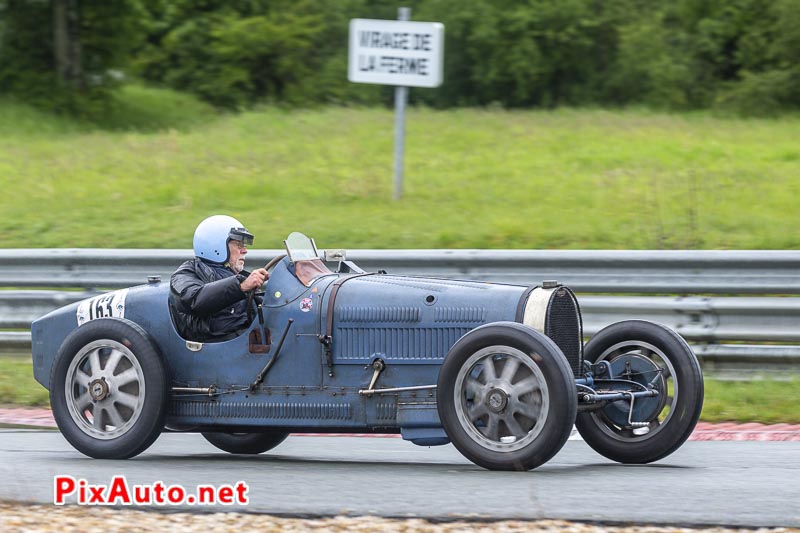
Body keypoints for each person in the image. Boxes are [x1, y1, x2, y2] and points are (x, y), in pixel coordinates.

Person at [170, 215, 269, 341]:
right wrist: (241, 286)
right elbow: (194, 299)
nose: (244, 251)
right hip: (219, 344)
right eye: (239, 245)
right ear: (217, 246)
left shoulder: (235, 275)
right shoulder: (187, 273)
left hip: (249, 340)